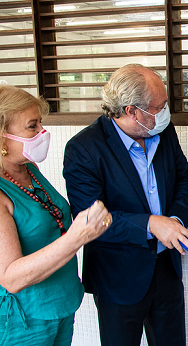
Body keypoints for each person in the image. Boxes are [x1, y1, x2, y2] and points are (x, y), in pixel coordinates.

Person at [63, 64, 188, 346]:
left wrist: (174, 219)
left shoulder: (164, 132)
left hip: (166, 269)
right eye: (159, 107)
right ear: (132, 111)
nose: (165, 113)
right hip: (118, 279)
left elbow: (187, 182)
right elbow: (90, 220)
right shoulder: (84, 149)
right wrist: (151, 224)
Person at [0, 85, 111, 345]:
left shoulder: (30, 170)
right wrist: (77, 237)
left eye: (41, 123)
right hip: (26, 320)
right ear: (3, 136)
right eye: (32, 126)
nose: (42, 133)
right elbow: (12, 277)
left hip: (62, 304)